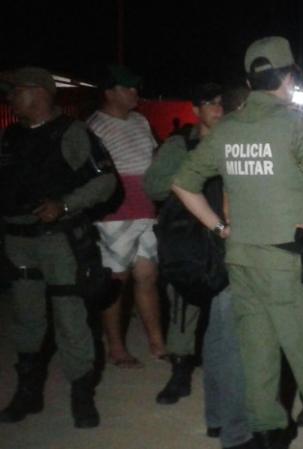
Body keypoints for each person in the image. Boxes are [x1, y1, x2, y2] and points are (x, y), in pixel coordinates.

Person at [171, 36, 303, 449]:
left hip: (241, 261)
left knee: (257, 355)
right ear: (290, 76)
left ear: (250, 79)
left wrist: (220, 228)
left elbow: (183, 183)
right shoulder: (298, 122)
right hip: (287, 261)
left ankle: (267, 433)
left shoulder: (227, 128)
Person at [0, 67, 117, 427]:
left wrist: (64, 205)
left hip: (59, 242)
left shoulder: (73, 133)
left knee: (71, 318)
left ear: (38, 92)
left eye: (15, 90)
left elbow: (106, 182)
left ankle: (82, 396)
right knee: (26, 318)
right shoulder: (11, 136)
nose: (9, 98)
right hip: (18, 241)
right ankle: (28, 393)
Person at [144, 83, 254, 449]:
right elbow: (156, 186)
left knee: (222, 328)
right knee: (185, 313)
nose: (218, 109)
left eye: (223, 103)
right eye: (210, 103)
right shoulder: (181, 144)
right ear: (196, 109)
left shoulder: (237, 139)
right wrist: (196, 172)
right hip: (191, 242)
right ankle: (179, 372)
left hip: (224, 242)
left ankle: (217, 414)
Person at [87, 65, 166, 368]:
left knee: (147, 275)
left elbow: (153, 158)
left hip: (145, 211)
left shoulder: (141, 121)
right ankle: (116, 346)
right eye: (128, 88)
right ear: (109, 92)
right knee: (116, 281)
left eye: (135, 87)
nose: (135, 93)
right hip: (114, 215)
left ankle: (157, 342)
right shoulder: (94, 126)